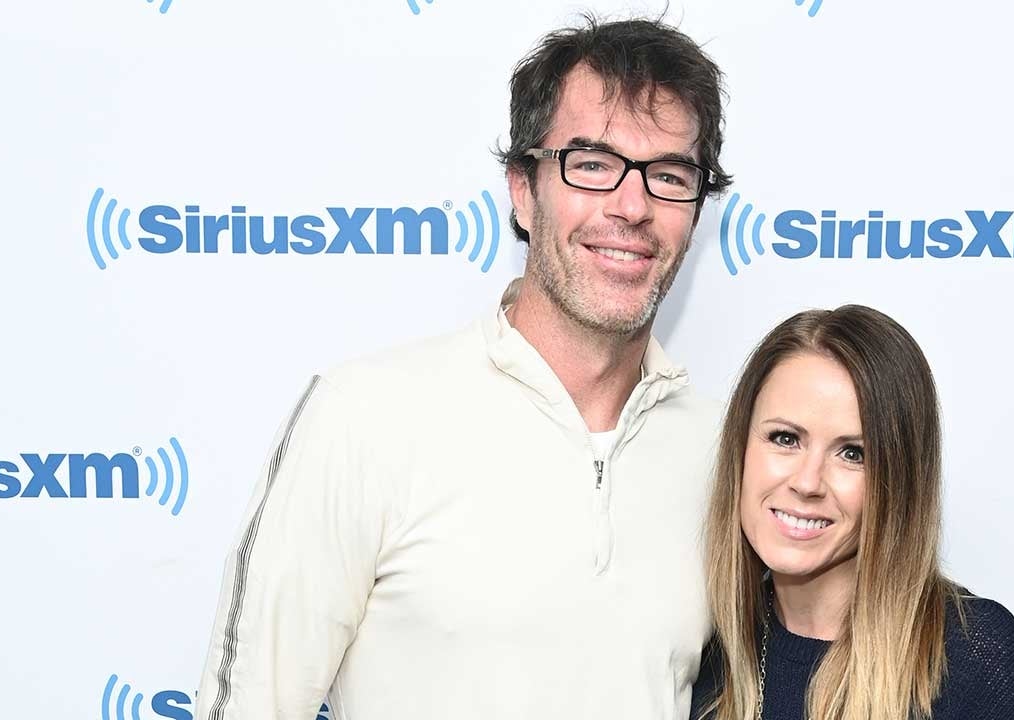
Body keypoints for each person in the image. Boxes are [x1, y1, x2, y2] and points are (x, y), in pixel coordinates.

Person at [194, 14, 732, 720]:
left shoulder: (726, 452)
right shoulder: (364, 418)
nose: (632, 206)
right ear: (522, 190)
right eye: (592, 165)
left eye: (668, 175)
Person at [691, 306, 1014, 720]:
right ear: (740, 447)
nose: (807, 482)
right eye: (785, 438)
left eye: (852, 454)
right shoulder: (704, 649)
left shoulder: (973, 656)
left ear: (900, 480)